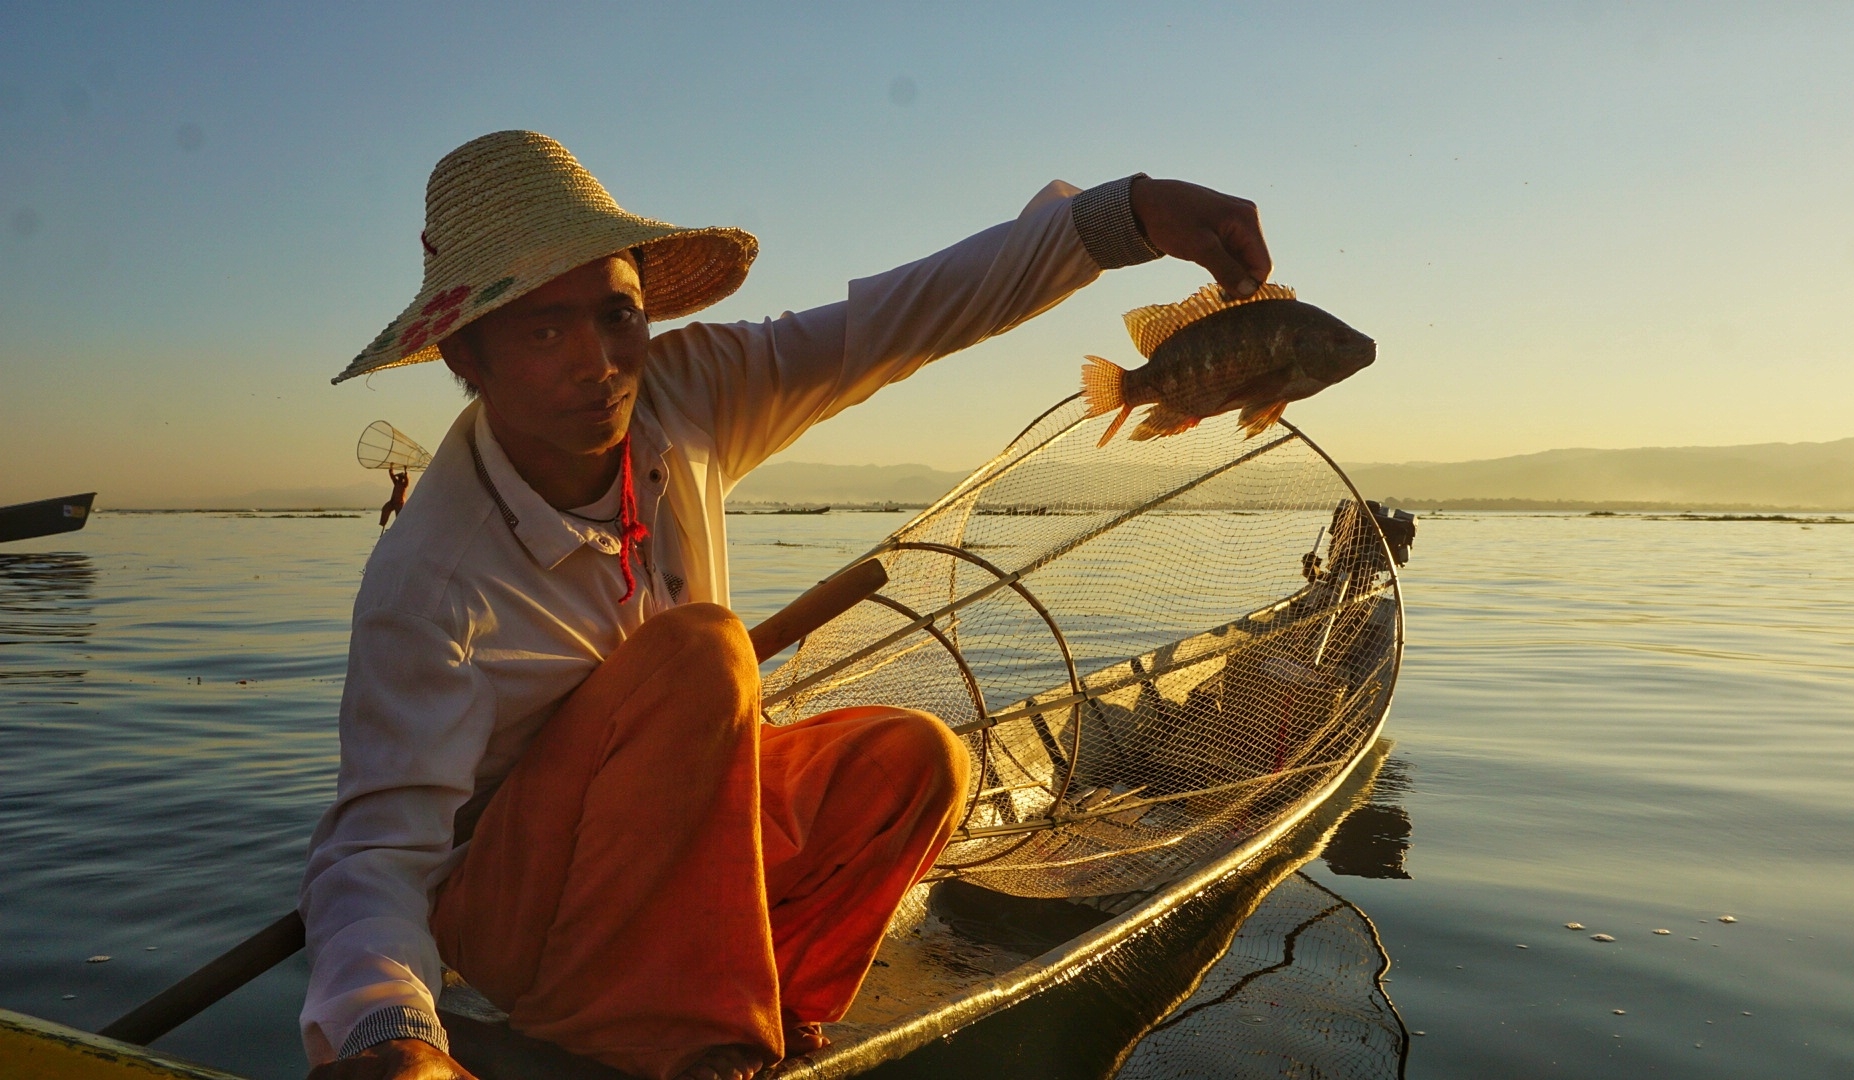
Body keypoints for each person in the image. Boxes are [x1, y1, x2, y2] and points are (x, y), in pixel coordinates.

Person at [301, 130, 1271, 1080]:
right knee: (702, 655)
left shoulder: (686, 397)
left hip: (673, 854)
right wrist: (393, 1028)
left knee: (917, 763)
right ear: (469, 358)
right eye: (542, 330)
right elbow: (373, 853)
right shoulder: (430, 577)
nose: (597, 363)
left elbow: (893, 322)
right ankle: (671, 1043)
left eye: (616, 316)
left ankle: (770, 1007)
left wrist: (1128, 216)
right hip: (525, 914)